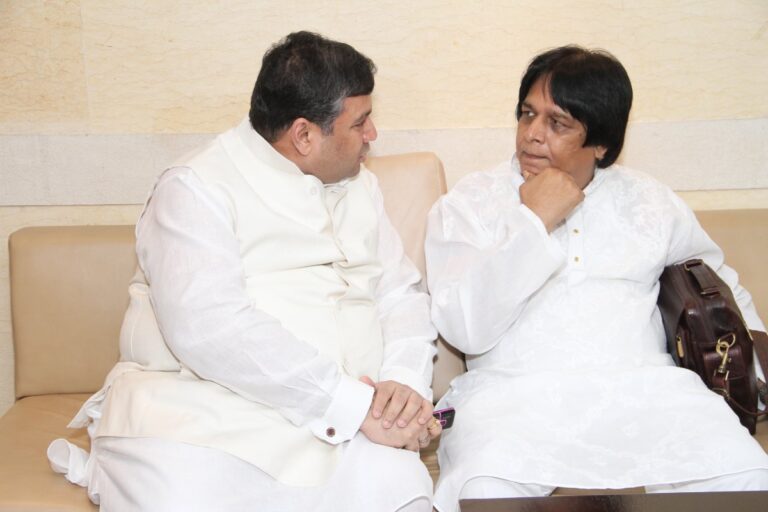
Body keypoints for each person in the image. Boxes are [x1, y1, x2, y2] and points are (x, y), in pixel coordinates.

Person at [47, 31, 441, 511]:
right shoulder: (195, 188)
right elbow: (209, 329)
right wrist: (354, 408)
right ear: (303, 135)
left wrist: (401, 389)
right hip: (202, 420)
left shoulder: (362, 186)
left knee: (403, 491)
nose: (372, 135)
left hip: (344, 429)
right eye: (361, 123)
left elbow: (400, 294)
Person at [425, 45, 768, 511]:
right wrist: (533, 221)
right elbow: (464, 328)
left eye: (557, 123)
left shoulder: (649, 200)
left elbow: (716, 281)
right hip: (515, 399)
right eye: (527, 114)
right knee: (485, 490)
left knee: (749, 475)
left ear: (601, 144)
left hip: (649, 393)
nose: (532, 136)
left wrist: (757, 361)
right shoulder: (471, 203)